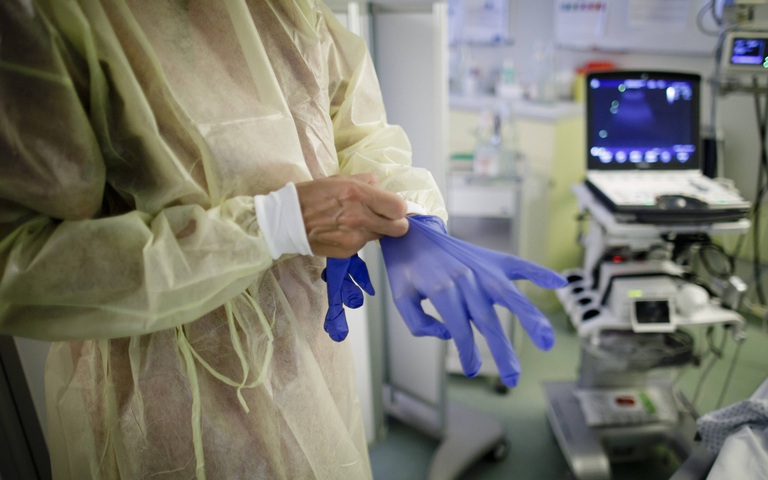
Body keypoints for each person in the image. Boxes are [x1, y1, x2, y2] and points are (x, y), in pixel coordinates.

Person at [0, 1, 564, 478]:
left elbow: (355, 128)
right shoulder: (48, 17)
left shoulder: (287, 7)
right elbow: (20, 263)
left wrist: (409, 219)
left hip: (306, 344)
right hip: (164, 386)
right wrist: (270, 225)